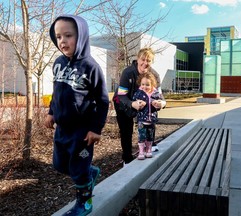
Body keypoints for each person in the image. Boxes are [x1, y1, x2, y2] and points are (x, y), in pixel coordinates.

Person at [44, 15, 109, 216]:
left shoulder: (91, 67)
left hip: (82, 132)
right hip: (62, 129)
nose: (62, 41)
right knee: (60, 165)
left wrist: (96, 129)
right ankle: (90, 172)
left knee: (79, 172)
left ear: (81, 36)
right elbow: (58, 92)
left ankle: (84, 204)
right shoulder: (58, 62)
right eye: (58, 36)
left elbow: (103, 100)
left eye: (68, 35)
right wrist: (51, 112)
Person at [112, 47, 165, 165]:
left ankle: (150, 145)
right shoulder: (127, 73)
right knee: (126, 129)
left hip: (144, 103)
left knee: (150, 120)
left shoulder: (154, 75)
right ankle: (127, 158)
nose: (145, 63)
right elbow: (121, 95)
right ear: (138, 59)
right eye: (143, 59)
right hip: (122, 102)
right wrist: (132, 104)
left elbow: (160, 96)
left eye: (148, 60)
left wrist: (162, 103)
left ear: (152, 62)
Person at [133, 72, 166, 160]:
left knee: (150, 136)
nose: (145, 87)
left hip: (151, 120)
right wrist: (138, 103)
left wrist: (158, 103)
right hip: (141, 120)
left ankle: (148, 150)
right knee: (141, 136)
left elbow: (161, 101)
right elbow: (134, 101)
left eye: (147, 85)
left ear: (152, 85)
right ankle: (141, 151)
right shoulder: (139, 93)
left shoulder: (156, 94)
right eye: (143, 84)